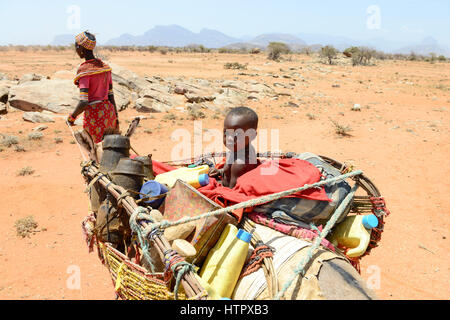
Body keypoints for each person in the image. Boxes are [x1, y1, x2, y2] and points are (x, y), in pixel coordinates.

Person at [67, 31, 119, 144]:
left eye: (76, 46)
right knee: (110, 148)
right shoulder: (105, 68)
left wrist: (71, 118)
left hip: (95, 116)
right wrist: (116, 117)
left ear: (79, 47)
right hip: (109, 113)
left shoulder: (85, 71)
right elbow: (111, 96)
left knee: (96, 152)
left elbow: (83, 102)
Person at [209, 106, 260, 188]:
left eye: (237, 134)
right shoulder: (236, 150)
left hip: (228, 195)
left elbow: (233, 191)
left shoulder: (240, 163)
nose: (229, 138)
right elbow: (229, 172)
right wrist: (219, 171)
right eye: (226, 132)